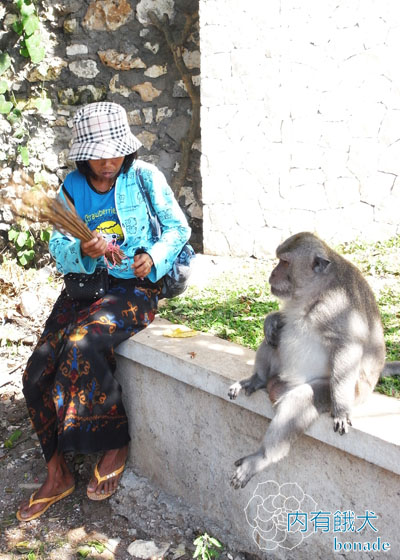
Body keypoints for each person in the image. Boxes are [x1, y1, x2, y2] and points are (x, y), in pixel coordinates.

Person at [16, 101, 191, 521]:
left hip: (133, 288)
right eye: (100, 153)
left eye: (116, 150)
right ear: (83, 153)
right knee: (35, 372)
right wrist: (80, 248)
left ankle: (116, 440)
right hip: (84, 288)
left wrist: (153, 254)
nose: (110, 160)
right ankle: (57, 472)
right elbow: (59, 248)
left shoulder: (144, 177)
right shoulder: (72, 188)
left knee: (83, 342)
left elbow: (177, 228)